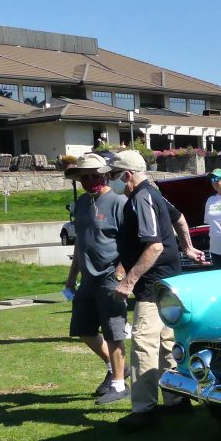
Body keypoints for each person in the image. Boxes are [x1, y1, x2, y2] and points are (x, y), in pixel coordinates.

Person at [107, 150, 203, 430]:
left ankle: (143, 410)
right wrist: (187, 247)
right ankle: (177, 400)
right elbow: (180, 218)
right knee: (166, 343)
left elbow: (154, 246)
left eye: (113, 176)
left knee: (142, 344)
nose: (111, 181)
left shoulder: (140, 198)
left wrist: (128, 282)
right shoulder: (155, 192)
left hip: (153, 285)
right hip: (170, 281)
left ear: (127, 175)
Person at [62, 153, 131, 405]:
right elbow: (81, 242)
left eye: (95, 175)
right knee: (83, 329)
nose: (90, 180)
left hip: (111, 276)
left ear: (105, 176)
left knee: (114, 332)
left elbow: (131, 243)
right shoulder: (81, 203)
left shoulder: (119, 202)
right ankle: (116, 369)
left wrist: (121, 274)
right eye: (85, 177)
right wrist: (71, 279)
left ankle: (118, 384)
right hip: (87, 280)